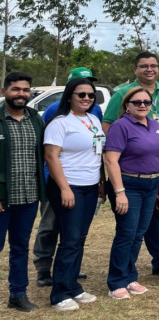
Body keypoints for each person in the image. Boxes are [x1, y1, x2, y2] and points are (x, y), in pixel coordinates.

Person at [103, 52, 159, 276]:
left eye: (154, 65)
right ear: (135, 69)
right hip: (130, 168)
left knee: (153, 218)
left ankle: (157, 261)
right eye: (144, 66)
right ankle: (121, 276)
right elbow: (108, 127)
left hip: (158, 166)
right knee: (129, 230)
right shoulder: (123, 94)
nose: (149, 69)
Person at [34, 67, 102, 288]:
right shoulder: (57, 114)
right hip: (63, 181)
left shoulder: (94, 115)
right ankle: (47, 273)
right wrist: (62, 186)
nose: (86, 97)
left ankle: (70, 278)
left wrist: (101, 181)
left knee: (76, 236)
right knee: (53, 228)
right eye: (81, 93)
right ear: (70, 92)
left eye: (91, 92)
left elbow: (96, 147)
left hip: (89, 184)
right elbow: (50, 153)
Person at [103, 87, 159, 299]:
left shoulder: (155, 125)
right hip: (129, 185)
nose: (142, 105)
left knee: (139, 234)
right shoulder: (120, 126)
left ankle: (129, 276)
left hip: (151, 185)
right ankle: (116, 282)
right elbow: (110, 160)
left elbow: (158, 157)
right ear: (127, 106)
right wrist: (119, 192)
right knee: (126, 233)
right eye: (137, 102)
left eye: (146, 102)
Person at [0, 72, 46, 312]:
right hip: (3, 197)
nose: (21, 94)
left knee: (20, 247)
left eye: (26, 90)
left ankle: (17, 294)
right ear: (4, 91)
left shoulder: (35, 119)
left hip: (28, 196)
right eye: (16, 89)